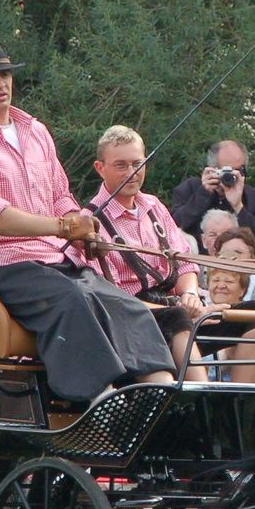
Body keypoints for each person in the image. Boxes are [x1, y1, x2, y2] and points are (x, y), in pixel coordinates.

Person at [0, 39, 175, 404]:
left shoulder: (35, 131)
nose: (1, 83)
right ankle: (102, 405)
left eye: (5, 75)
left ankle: (159, 399)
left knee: (126, 303)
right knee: (72, 300)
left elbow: (60, 196)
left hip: (55, 260)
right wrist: (61, 228)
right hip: (4, 266)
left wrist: (82, 227)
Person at [88, 125, 206, 368]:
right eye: (121, 165)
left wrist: (191, 295)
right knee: (178, 317)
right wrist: (180, 308)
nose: (131, 173)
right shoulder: (90, 221)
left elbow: (184, 262)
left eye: (137, 164)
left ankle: (246, 392)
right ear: (100, 168)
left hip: (176, 309)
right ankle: (200, 390)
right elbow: (109, 297)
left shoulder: (154, 206)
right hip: (132, 319)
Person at [170, 139, 255, 252]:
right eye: (226, 171)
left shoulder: (254, 197)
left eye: (238, 171)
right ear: (212, 169)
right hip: (196, 260)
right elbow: (171, 227)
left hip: (235, 261)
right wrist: (203, 194)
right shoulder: (190, 189)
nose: (232, 176)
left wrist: (238, 206)